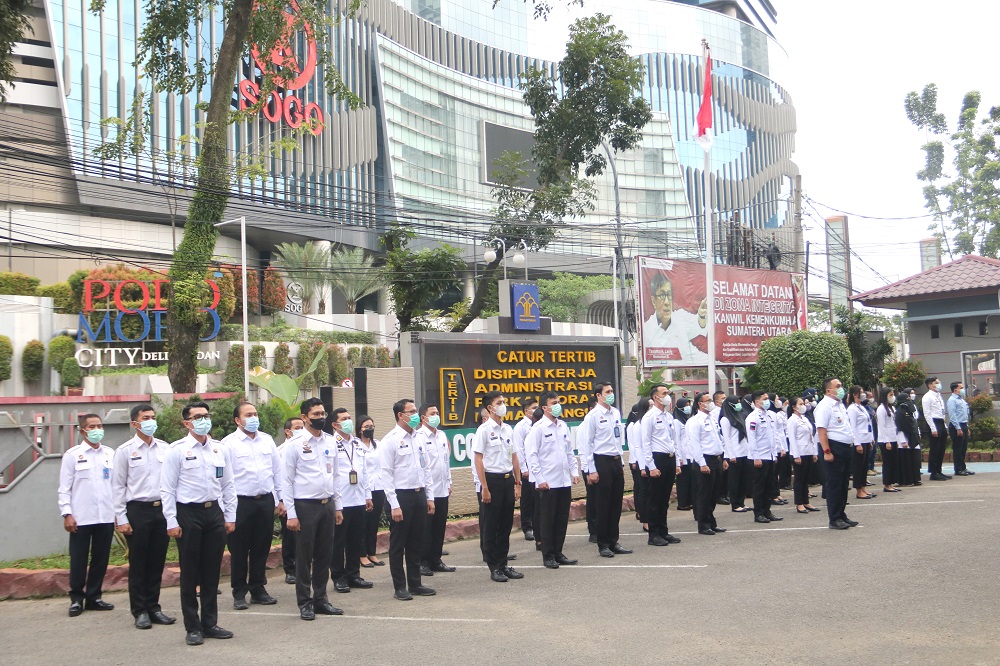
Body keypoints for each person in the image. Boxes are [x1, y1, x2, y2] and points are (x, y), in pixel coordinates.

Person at [161, 402, 237, 645]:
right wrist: (171, 521)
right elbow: (167, 489)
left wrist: (230, 516)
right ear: (187, 423)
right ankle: (192, 627)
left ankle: (210, 623)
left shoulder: (219, 449)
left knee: (212, 571)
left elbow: (228, 485)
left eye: (206, 416)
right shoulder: (177, 450)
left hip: (213, 512)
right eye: (197, 417)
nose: (203, 420)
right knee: (190, 571)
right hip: (188, 514)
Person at [111, 405, 176, 628]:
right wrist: (122, 518)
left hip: (162, 510)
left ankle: (154, 607)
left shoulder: (165, 449)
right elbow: (118, 486)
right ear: (135, 423)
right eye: (145, 418)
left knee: (157, 561)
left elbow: (171, 483)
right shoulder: (125, 451)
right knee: (139, 563)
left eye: (153, 417)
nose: (151, 421)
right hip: (137, 511)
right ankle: (140, 611)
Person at [282, 397, 344, 620]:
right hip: (305, 506)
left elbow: (335, 475)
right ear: (304, 417)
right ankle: (305, 602)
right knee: (304, 556)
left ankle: (321, 599)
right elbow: (286, 481)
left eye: (323, 414)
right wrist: (291, 513)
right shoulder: (294, 445)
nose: (321, 418)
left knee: (324, 555)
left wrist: (338, 507)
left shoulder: (330, 441)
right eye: (316, 415)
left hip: (327, 505)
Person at [221, 401, 283, 610]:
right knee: (239, 549)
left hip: (264, 501)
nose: (254, 418)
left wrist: (279, 499)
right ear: (237, 420)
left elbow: (277, 472)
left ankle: (258, 589)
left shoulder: (266, 440)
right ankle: (239, 592)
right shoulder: (228, 444)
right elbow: (224, 479)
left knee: (261, 547)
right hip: (240, 502)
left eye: (255, 413)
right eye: (248, 415)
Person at [59, 413, 116, 618]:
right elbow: (64, 488)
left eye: (99, 425)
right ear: (82, 430)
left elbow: (116, 486)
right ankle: (76, 598)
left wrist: (118, 512)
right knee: (79, 559)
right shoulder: (72, 455)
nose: (96, 430)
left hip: (105, 516)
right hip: (81, 517)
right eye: (92, 426)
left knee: (101, 558)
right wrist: (67, 513)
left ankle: (94, 597)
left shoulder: (110, 453)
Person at [380, 399, 437, 600]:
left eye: (415, 410)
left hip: (418, 494)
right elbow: (385, 475)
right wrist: (394, 505)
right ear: (400, 415)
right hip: (401, 497)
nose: (415, 414)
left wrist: (429, 496)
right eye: (411, 411)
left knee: (416, 542)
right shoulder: (390, 440)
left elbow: (425, 468)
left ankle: (415, 584)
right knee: (398, 544)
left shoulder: (419, 437)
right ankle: (400, 587)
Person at [525, 392, 581, 568]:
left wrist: (574, 471)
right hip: (548, 483)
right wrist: (539, 479)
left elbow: (569, 451)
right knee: (548, 520)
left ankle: (558, 552)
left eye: (559, 402)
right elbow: (531, 455)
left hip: (564, 480)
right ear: (544, 407)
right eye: (554, 403)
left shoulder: (562, 426)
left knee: (561, 518)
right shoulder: (538, 428)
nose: (558, 405)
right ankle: (548, 555)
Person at [473, 390, 523, 582]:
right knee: (491, 526)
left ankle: (503, 564)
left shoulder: (508, 429)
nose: (503, 405)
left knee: (505, 524)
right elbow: (478, 459)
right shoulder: (484, 430)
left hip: (507, 479)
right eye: (499, 402)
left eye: (504, 401)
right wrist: (484, 487)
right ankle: (494, 567)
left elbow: (514, 457)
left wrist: (518, 482)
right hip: (491, 481)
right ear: (490, 408)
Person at [577, 382, 631, 557]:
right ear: (598, 395)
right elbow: (587, 444)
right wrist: (590, 469)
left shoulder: (615, 412)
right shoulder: (592, 416)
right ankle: (603, 544)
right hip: (601, 462)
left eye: (612, 391)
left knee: (616, 504)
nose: (611, 394)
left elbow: (617, 439)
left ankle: (614, 541)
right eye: (607, 392)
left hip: (615, 462)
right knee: (603, 505)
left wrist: (621, 461)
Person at [329, 408, 374, 594]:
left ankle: (354, 574)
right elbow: (331, 474)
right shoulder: (331, 443)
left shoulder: (357, 443)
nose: (348, 421)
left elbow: (364, 471)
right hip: (341, 500)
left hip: (358, 498)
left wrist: (368, 495)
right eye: (344, 419)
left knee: (356, 539)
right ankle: (339, 577)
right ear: (335, 424)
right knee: (339, 541)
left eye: (349, 418)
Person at [640, 384, 681, 546]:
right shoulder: (649, 417)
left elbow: (673, 441)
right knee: (655, 499)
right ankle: (654, 534)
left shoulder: (669, 416)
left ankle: (664, 531)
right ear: (656, 397)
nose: (667, 395)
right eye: (664, 393)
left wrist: (677, 462)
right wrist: (651, 466)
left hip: (669, 459)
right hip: (657, 460)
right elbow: (646, 443)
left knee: (665, 498)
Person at [814, 378, 858, 531]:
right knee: (834, 484)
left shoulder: (839, 405)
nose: (841, 388)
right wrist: (827, 451)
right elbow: (821, 431)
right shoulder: (824, 406)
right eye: (837, 386)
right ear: (828, 390)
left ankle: (841, 514)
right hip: (833, 447)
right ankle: (834, 518)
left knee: (844, 483)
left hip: (845, 447)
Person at [417, 403, 455, 576]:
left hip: (442, 488)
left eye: (437, 413)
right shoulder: (418, 437)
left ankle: (436, 559)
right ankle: (422, 562)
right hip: (427, 490)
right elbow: (421, 466)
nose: (436, 416)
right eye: (432, 413)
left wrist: (449, 482)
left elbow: (445, 463)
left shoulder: (441, 435)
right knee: (425, 527)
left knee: (440, 526)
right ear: (423, 418)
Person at [642, 272, 709, 365]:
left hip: (684, 373)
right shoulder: (646, 330)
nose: (666, 302)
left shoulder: (681, 318)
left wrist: (701, 315)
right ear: (653, 301)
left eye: (669, 295)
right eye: (662, 295)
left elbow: (699, 325)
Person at [687, 392, 727, 535]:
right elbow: (695, 444)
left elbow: (719, 439)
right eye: (707, 400)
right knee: (704, 494)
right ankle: (703, 525)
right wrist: (702, 463)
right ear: (700, 403)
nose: (710, 402)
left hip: (716, 459)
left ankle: (711, 521)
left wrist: (723, 458)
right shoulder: (695, 421)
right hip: (704, 460)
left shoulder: (712, 419)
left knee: (714, 494)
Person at [745, 391, 782, 524]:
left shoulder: (771, 415)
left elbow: (774, 435)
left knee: (769, 486)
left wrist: (776, 453)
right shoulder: (752, 417)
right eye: (764, 399)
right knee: (759, 487)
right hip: (759, 456)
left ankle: (767, 511)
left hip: (770, 456)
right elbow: (752, 438)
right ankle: (759, 513)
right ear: (756, 402)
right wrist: (756, 457)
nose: (768, 401)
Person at [276, 417, 304, 583]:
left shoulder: (304, 447)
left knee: (303, 537)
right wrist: (281, 501)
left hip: (303, 499)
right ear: (288, 431)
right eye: (297, 427)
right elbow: (279, 478)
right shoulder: (280, 451)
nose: (301, 430)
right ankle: (290, 570)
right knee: (289, 538)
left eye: (302, 427)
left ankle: (303, 568)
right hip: (287, 501)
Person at [357, 416, 385, 569]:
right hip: (362, 489)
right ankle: (361, 554)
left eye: (372, 426)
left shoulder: (378, 445)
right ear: (360, 429)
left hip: (378, 487)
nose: (370, 429)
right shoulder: (356, 445)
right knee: (363, 522)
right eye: (366, 426)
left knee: (374, 522)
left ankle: (371, 552)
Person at [786, 397, 819, 513]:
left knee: (806, 479)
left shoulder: (805, 419)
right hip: (799, 452)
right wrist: (796, 455)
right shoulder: (792, 420)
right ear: (794, 407)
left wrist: (814, 452)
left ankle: (806, 501)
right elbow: (792, 439)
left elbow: (811, 436)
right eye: (800, 404)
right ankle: (799, 503)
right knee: (799, 479)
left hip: (808, 451)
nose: (803, 406)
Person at [512, 398, 539, 543]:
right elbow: (518, 450)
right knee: (527, 500)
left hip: (538, 468)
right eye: (534, 407)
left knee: (537, 499)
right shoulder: (520, 427)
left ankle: (537, 525)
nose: (536, 409)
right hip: (527, 469)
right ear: (526, 411)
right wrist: (524, 469)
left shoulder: (539, 424)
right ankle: (527, 528)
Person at [720, 395, 750, 514]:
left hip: (744, 452)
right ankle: (735, 503)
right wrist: (730, 455)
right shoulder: (725, 419)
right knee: (734, 480)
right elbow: (726, 438)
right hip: (734, 453)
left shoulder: (740, 416)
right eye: (736, 402)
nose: (739, 404)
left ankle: (741, 502)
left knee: (744, 479)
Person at [845, 387, 876, 500]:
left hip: (866, 440)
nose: (863, 394)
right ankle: (858, 490)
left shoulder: (861, 407)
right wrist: (857, 443)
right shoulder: (852, 409)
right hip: (860, 441)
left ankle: (863, 488)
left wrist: (871, 439)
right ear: (854, 394)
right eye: (861, 392)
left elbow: (869, 424)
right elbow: (852, 427)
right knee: (858, 467)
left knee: (864, 467)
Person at [626, 399, 652, 532]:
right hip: (637, 461)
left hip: (649, 461)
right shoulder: (634, 425)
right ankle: (642, 514)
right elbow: (634, 445)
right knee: (641, 490)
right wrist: (637, 461)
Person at [922, 377, 951, 480]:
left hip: (940, 422)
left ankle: (939, 470)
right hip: (933, 422)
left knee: (941, 448)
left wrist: (944, 425)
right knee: (935, 448)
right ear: (930, 385)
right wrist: (933, 428)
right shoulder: (927, 397)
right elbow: (927, 413)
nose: (939, 384)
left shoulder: (938, 395)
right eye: (936, 383)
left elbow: (941, 412)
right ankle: (933, 472)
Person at [672, 397, 696, 514]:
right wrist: (679, 457)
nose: (688, 407)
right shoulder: (676, 421)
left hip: (689, 454)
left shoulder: (687, 420)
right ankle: (682, 503)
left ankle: (689, 501)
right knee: (683, 481)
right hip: (681, 455)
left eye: (688, 404)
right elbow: (676, 440)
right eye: (685, 405)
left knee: (690, 479)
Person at [894, 389, 923, 487]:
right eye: (907, 399)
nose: (909, 401)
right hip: (905, 439)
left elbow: (915, 423)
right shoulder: (899, 412)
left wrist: (918, 433)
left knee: (915, 459)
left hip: (913, 437)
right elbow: (899, 428)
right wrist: (902, 440)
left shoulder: (910, 411)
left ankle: (915, 478)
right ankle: (906, 480)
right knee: (906, 461)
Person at [875, 389, 901, 493]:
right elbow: (882, 426)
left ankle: (891, 483)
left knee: (893, 462)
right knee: (888, 463)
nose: (892, 396)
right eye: (890, 395)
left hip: (893, 438)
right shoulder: (881, 409)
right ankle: (887, 484)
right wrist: (887, 441)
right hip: (886, 440)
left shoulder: (892, 408)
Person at [948, 382, 973, 476]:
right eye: (961, 388)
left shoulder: (961, 400)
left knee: (963, 448)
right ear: (955, 389)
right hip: (956, 426)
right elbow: (952, 415)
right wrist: (958, 428)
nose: (963, 390)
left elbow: (964, 414)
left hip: (963, 425)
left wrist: (967, 427)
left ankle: (963, 467)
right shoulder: (952, 400)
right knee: (957, 448)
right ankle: (958, 469)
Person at [712, 391, 730, 505]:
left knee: (726, 472)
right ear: (717, 401)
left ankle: (725, 493)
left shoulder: (725, 411)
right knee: (720, 473)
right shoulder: (715, 412)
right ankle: (720, 495)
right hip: (719, 446)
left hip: (723, 445)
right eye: (723, 398)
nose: (725, 399)